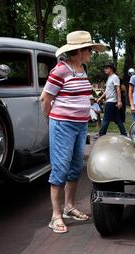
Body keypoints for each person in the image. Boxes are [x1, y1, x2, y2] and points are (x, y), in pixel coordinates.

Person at [40, 30, 106, 233]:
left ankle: (69, 207)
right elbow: (45, 99)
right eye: (90, 50)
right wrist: (53, 119)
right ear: (79, 51)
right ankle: (56, 215)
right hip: (63, 125)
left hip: (80, 125)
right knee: (60, 168)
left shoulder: (81, 68)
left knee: (76, 167)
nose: (92, 54)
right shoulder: (60, 70)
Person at [97, 62, 127, 136]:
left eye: (106, 68)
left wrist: (119, 101)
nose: (105, 69)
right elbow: (107, 91)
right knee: (117, 119)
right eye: (105, 68)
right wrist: (100, 98)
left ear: (111, 69)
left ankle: (101, 134)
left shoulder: (115, 77)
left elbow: (118, 89)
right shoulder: (109, 78)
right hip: (110, 101)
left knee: (106, 119)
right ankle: (124, 133)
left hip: (112, 102)